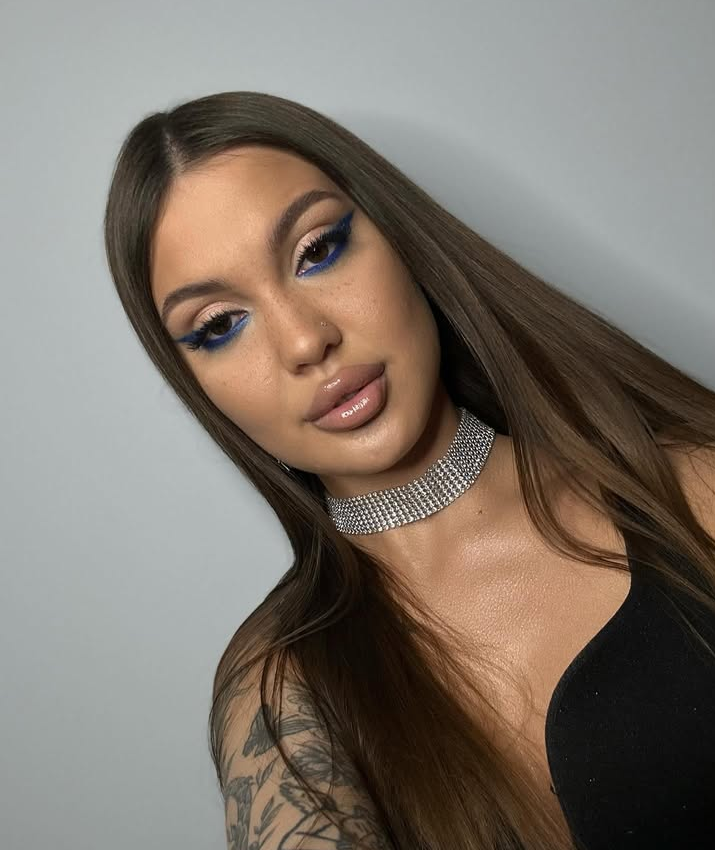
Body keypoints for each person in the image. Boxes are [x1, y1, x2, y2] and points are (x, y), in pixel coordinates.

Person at [103, 91, 715, 850]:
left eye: (317, 251)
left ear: (400, 241)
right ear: (197, 385)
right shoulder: (285, 689)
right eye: (221, 325)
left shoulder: (688, 492)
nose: (304, 342)